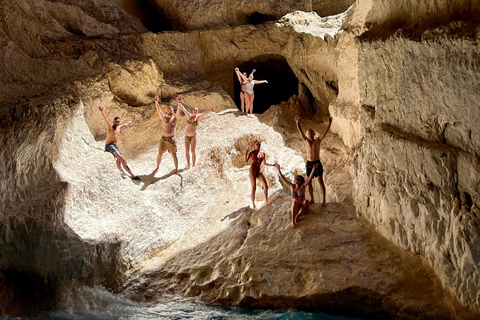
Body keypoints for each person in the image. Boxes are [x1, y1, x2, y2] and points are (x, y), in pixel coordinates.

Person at [295, 115, 333, 206]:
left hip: (317, 162)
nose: (310, 134)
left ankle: (324, 200)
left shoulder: (318, 141)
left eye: (311, 133)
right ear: (308, 134)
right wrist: (297, 123)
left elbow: (325, 133)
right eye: (309, 133)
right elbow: (300, 132)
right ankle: (312, 198)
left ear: (314, 134)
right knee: (309, 182)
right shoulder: (306, 141)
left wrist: (329, 123)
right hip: (309, 163)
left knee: (320, 180)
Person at [98, 106, 141, 180]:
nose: (117, 122)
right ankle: (120, 171)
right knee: (119, 157)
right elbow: (106, 120)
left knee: (124, 160)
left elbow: (127, 124)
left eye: (118, 121)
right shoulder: (110, 128)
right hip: (109, 146)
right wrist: (101, 112)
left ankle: (133, 175)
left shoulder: (119, 128)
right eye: (116, 121)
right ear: (113, 122)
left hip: (115, 147)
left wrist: (133, 119)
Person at [275, 162, 319, 228]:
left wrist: (313, 169)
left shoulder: (303, 186)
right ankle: (293, 222)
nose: (297, 181)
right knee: (294, 202)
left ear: (301, 181)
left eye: (299, 180)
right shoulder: (291, 186)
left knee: (306, 201)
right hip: (295, 207)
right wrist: (278, 170)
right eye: (296, 179)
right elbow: (283, 179)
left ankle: (298, 215)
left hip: (302, 206)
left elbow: (309, 179)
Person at [178, 96, 215, 169]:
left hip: (193, 136)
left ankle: (194, 165)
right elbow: (183, 109)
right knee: (186, 150)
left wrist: (210, 110)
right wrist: (179, 102)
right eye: (194, 110)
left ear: (197, 112)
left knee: (193, 151)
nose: (195, 111)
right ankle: (188, 164)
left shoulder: (197, 118)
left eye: (196, 110)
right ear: (192, 111)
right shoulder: (189, 116)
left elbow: (204, 114)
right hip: (186, 136)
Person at [152, 95, 181, 175]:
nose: (169, 111)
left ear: (173, 112)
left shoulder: (175, 119)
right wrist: (156, 102)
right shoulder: (164, 118)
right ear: (167, 112)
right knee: (160, 153)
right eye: (168, 110)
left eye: (171, 110)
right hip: (164, 139)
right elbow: (158, 110)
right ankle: (157, 167)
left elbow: (178, 111)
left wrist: (179, 102)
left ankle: (176, 169)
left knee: (174, 154)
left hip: (171, 139)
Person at [245, 140, 274, 209]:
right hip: (252, 170)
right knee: (253, 187)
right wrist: (246, 152)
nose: (258, 145)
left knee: (265, 184)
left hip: (258, 171)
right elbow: (246, 161)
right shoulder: (252, 152)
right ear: (254, 145)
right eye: (257, 144)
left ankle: (266, 200)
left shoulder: (262, 153)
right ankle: (253, 205)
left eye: (259, 144)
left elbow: (264, 163)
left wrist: (272, 165)